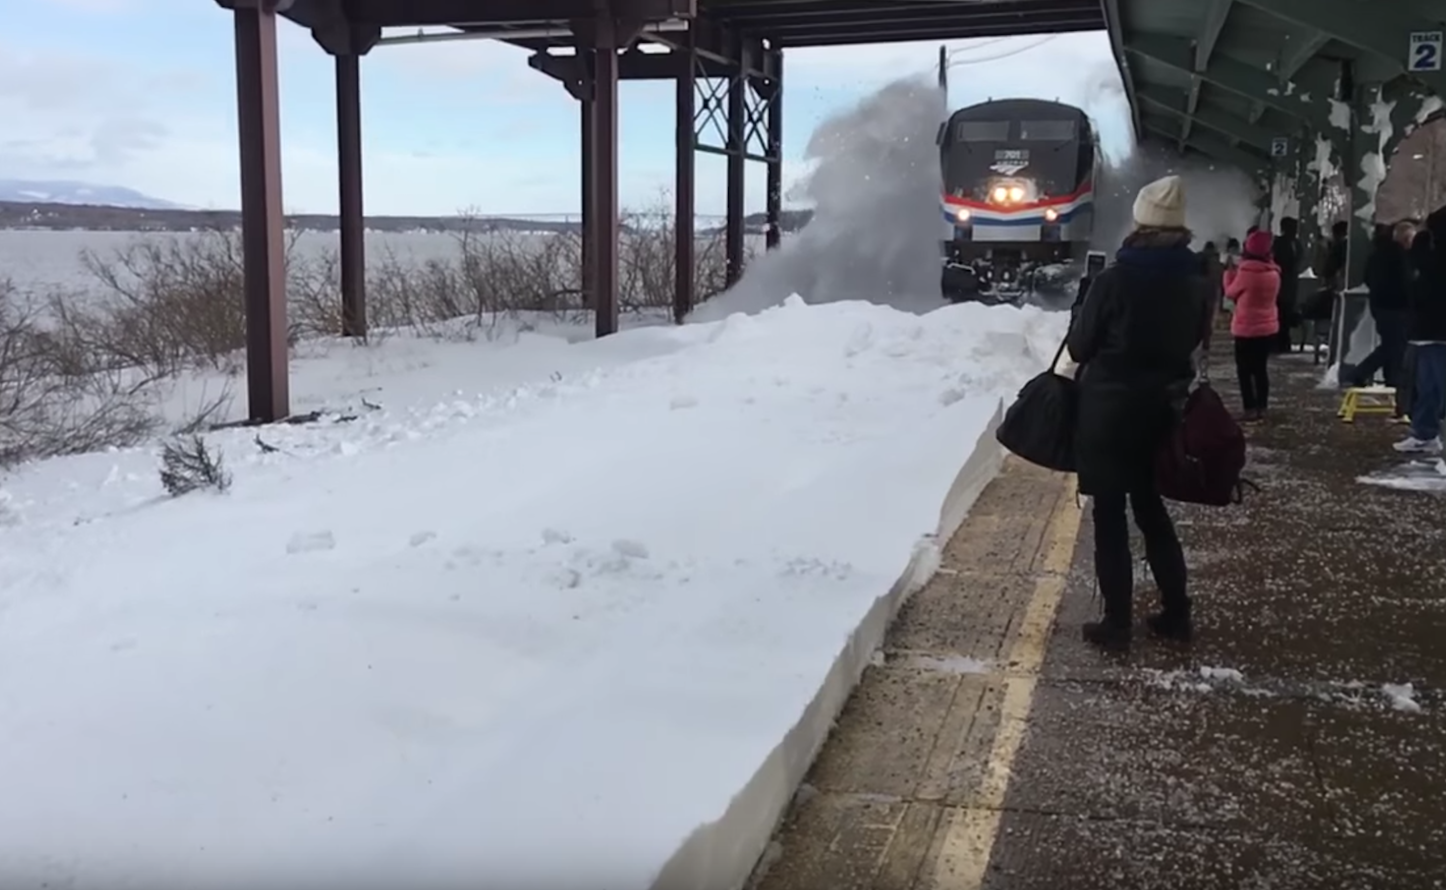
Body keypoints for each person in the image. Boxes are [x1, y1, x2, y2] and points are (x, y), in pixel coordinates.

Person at [1065, 175, 1210, 650]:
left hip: (1108, 412)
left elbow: (1082, 345)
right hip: (1162, 410)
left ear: (1140, 222)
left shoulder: (1114, 279)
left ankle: (1118, 623)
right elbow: (1195, 341)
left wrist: (1082, 307)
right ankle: (1176, 612)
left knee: (1109, 515)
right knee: (1151, 509)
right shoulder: (1197, 279)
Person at [1395, 209, 1446, 454]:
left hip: (1429, 327)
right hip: (1433, 328)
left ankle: (1426, 432)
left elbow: (1417, 277)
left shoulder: (1426, 252)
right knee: (1431, 384)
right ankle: (1426, 431)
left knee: (1430, 384)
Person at [1224, 230, 1281, 422]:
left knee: (1244, 370)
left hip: (1245, 328)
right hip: (1267, 328)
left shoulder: (1246, 273)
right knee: (1260, 369)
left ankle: (1249, 408)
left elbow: (1231, 293)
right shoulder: (1274, 273)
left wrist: (1229, 274)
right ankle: (1262, 406)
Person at [1351, 221, 1415, 391]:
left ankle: (1390, 378)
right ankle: (1362, 372)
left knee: (1391, 344)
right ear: (1406, 239)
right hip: (1397, 306)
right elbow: (1406, 282)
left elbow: (1367, 277)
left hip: (1379, 304)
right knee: (1395, 345)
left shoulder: (1377, 254)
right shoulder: (1401, 257)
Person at [1272, 217, 1302, 353]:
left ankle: (1284, 341)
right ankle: (1279, 343)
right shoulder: (1278, 243)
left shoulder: (1297, 243)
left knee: (1287, 313)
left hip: (1291, 284)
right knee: (1279, 313)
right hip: (1280, 283)